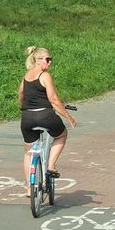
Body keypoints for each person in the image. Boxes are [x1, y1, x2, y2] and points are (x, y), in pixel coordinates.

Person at [18, 46, 77, 197]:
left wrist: (24, 109)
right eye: (47, 59)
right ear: (37, 61)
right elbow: (54, 100)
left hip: (27, 118)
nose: (50, 63)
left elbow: (21, 95)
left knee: (28, 151)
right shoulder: (44, 76)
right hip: (45, 116)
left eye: (50, 60)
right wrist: (68, 117)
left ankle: (29, 188)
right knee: (62, 135)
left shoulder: (26, 76)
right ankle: (51, 165)